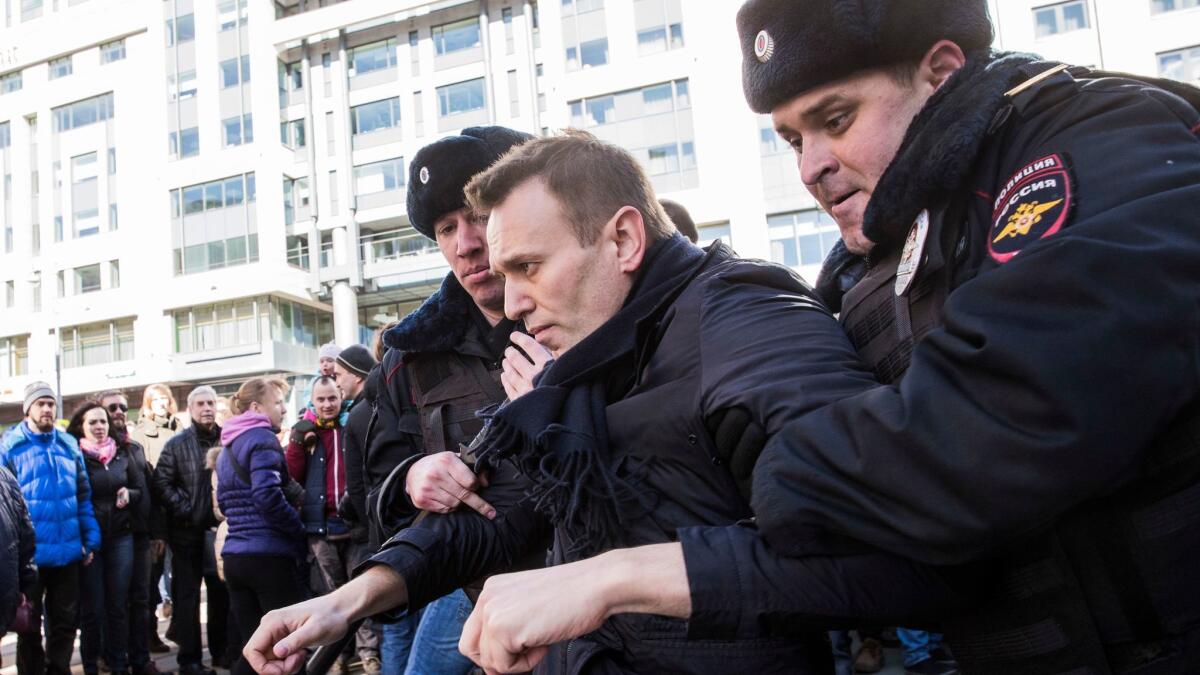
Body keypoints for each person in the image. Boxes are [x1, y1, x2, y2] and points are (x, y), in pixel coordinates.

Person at [241, 131, 914, 674]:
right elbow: (495, 506)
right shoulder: (583, 349)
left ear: (622, 239)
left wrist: (610, 579)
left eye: (528, 267)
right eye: (501, 274)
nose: (509, 302)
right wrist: (348, 599)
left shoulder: (745, 316)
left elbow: (878, 549)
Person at [725, 1, 1200, 673]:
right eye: (793, 140)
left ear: (942, 73)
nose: (811, 167)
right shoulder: (876, 255)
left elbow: (1005, 420)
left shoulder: (1099, 135)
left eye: (836, 121)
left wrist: (780, 469)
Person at [1, 381, 101, 675]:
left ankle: (59, 669)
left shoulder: (69, 444)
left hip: (68, 550)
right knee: (28, 624)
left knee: (65, 622)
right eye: (40, 403)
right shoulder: (10, 445)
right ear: (27, 408)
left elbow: (83, 494)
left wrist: (89, 538)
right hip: (30, 555)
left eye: (51, 403)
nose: (47, 409)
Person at [284, 376, 378, 675]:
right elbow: (290, 475)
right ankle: (336, 653)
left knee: (360, 594)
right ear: (313, 401)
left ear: (340, 398)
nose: (327, 405)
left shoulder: (352, 425)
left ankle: (368, 653)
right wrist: (298, 443)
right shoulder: (306, 432)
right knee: (331, 595)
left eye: (332, 398)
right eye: (321, 399)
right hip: (320, 527)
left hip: (352, 524)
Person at [217, 377, 307, 675]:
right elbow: (267, 494)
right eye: (278, 402)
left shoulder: (228, 446)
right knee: (288, 648)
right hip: (269, 558)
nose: (283, 408)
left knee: (255, 650)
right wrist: (296, 528)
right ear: (256, 407)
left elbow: (224, 503)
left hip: (236, 558)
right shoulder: (262, 438)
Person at [153, 386, 231, 675]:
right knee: (186, 598)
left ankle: (221, 653)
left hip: (220, 531)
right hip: (186, 532)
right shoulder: (176, 444)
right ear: (190, 409)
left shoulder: (228, 438)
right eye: (200, 403)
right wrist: (187, 509)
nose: (207, 408)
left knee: (221, 594)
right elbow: (161, 483)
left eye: (211, 402)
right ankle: (190, 661)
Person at [68, 401, 146, 675]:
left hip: (120, 539)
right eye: (93, 423)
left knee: (118, 606)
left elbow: (139, 489)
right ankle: (90, 665)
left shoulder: (122, 453)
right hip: (91, 543)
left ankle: (118, 665)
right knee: (93, 610)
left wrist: (130, 494)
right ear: (82, 427)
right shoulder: (75, 455)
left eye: (103, 422)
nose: (99, 427)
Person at [99, 390, 165, 675]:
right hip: (111, 538)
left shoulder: (134, 447)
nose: (118, 412)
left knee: (142, 599)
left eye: (122, 407)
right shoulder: (94, 449)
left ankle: (140, 658)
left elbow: (150, 492)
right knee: (115, 602)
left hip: (140, 536)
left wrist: (157, 533)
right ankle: (113, 658)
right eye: (111, 407)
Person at [130, 382, 180, 653]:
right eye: (156, 399)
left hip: (182, 517)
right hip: (157, 518)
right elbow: (148, 484)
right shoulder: (140, 436)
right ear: (147, 404)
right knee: (151, 582)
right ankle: (148, 636)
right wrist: (155, 529)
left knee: (182, 581)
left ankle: (178, 629)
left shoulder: (179, 428)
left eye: (165, 398)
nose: (162, 403)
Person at [0, 464, 36, 641]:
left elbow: (25, 534)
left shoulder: (5, 478)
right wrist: (24, 584)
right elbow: (26, 535)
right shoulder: (6, 476)